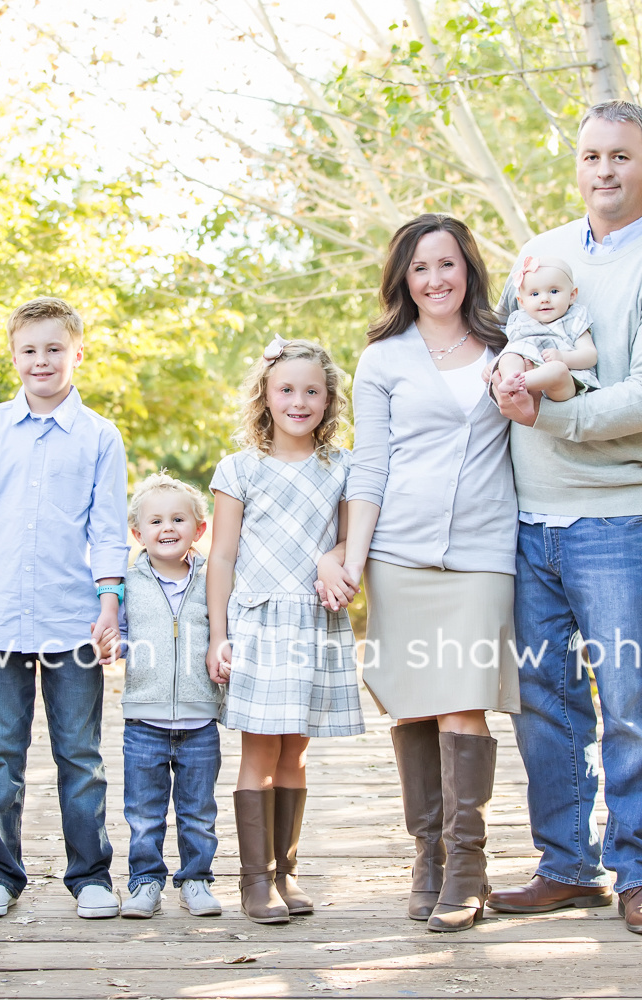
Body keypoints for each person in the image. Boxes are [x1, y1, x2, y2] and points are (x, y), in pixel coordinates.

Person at [318, 214, 520, 933]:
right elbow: (369, 467)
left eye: (447, 264)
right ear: (404, 280)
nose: (435, 280)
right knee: (414, 704)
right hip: (398, 554)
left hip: (483, 551)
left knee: (464, 700)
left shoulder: (506, 344)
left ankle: (468, 864)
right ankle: (428, 855)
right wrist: (351, 554)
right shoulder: (385, 358)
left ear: (469, 268)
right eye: (420, 269)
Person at [487, 100, 642, 936]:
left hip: (617, 517)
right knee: (544, 702)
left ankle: (638, 869)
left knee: (629, 700)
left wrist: (553, 418)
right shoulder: (543, 254)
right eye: (592, 156)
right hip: (528, 520)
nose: (605, 171)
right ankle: (566, 865)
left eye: (621, 156)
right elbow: (511, 342)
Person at [0, 297, 129, 920]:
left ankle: (91, 875)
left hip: (71, 617)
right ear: (13, 355)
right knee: (1, 752)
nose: (41, 360)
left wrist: (108, 603)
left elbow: (107, 528)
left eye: (54, 348)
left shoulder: (100, 435)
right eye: (29, 349)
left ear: (78, 353)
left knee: (80, 753)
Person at [207, 338, 364, 925]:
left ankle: (285, 872)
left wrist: (336, 554)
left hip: (313, 620)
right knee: (260, 749)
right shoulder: (240, 468)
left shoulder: (341, 466)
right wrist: (217, 633)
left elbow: (354, 538)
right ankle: (254, 882)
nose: (299, 402)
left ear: (328, 402)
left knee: (296, 750)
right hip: (257, 620)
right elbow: (220, 556)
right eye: (287, 390)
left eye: (312, 392)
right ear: (266, 397)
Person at [108, 472, 224, 920]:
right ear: (138, 533)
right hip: (144, 720)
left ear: (200, 528)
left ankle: (195, 879)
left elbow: (223, 629)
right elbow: (117, 634)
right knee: (143, 813)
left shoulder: (213, 578)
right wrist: (109, 644)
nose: (167, 528)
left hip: (199, 719)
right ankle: (145, 881)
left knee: (198, 812)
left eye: (178, 519)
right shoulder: (128, 582)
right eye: (155, 521)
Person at [493, 255, 598, 401]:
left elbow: (590, 355)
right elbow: (510, 347)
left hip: (564, 381)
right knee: (509, 357)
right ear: (522, 301)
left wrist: (563, 357)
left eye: (554, 291)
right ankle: (513, 382)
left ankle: (519, 383)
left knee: (556, 369)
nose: (544, 299)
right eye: (535, 294)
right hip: (529, 374)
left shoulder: (574, 317)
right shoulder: (521, 320)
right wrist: (495, 363)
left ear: (572, 295)